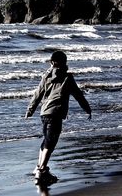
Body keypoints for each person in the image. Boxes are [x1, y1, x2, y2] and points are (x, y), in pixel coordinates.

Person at [25, 50, 92, 182]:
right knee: (51, 142)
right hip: (55, 113)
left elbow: (37, 94)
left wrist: (30, 110)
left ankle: (39, 166)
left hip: (44, 113)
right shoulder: (68, 78)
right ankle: (41, 170)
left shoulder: (46, 76)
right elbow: (78, 95)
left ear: (52, 62)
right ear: (65, 62)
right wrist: (87, 109)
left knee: (46, 140)